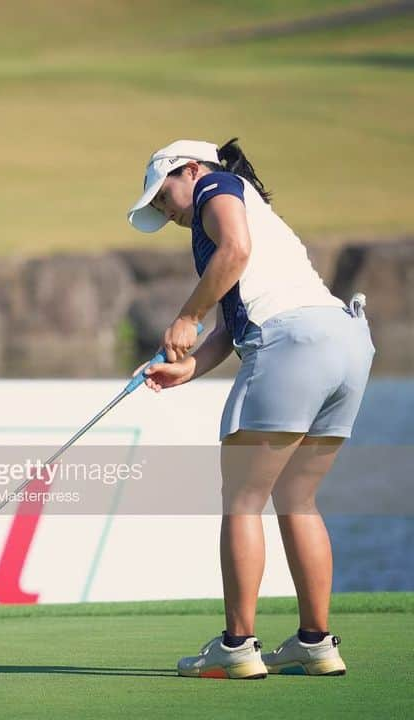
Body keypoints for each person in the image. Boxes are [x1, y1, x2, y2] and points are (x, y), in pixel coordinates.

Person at [126, 138, 374, 679]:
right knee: (296, 496)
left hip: (293, 345)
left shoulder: (217, 185)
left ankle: (237, 645)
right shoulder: (250, 213)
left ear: (191, 170)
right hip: (346, 344)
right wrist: (188, 367)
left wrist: (186, 316)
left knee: (243, 498)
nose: (162, 209)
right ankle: (314, 642)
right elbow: (232, 326)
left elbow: (233, 255)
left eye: (163, 193)